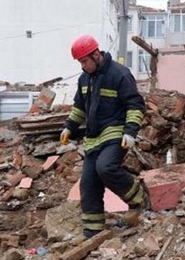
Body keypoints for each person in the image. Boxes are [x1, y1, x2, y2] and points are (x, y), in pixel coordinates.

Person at [61, 35, 148, 239]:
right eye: (80, 63)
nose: (83, 67)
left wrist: (130, 131)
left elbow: (135, 105)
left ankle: (139, 198)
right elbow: (79, 107)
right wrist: (69, 127)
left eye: (85, 61)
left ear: (96, 54)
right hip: (93, 139)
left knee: (106, 167)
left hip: (115, 133)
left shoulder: (119, 74)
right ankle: (93, 232)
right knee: (88, 184)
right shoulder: (84, 79)